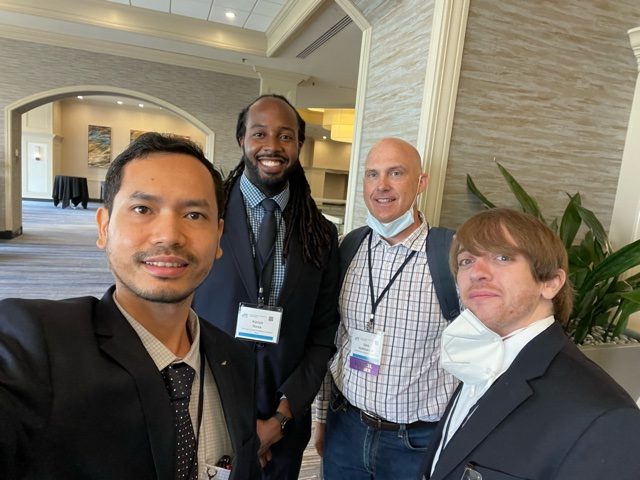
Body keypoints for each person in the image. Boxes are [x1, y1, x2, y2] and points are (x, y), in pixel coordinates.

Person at [0, 133, 260, 479]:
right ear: (104, 227)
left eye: (194, 215)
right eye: (142, 209)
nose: (169, 235)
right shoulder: (35, 344)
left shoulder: (236, 361)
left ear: (218, 237)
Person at [421, 207, 640, 480]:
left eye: (502, 257)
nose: (476, 272)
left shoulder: (604, 418)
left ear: (550, 283)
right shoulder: (478, 363)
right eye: (466, 260)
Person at [192, 94, 340, 479]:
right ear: (241, 139)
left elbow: (323, 333)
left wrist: (281, 417)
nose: (272, 146)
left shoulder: (320, 235)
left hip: (284, 422)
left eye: (285, 136)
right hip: (210, 409)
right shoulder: (203, 217)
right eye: (260, 134)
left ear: (299, 145)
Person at [314, 137, 460, 479]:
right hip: (345, 428)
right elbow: (332, 338)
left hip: (417, 443)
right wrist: (321, 419)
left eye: (396, 173)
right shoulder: (348, 248)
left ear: (421, 182)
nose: (381, 186)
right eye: (372, 174)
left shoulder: (452, 256)